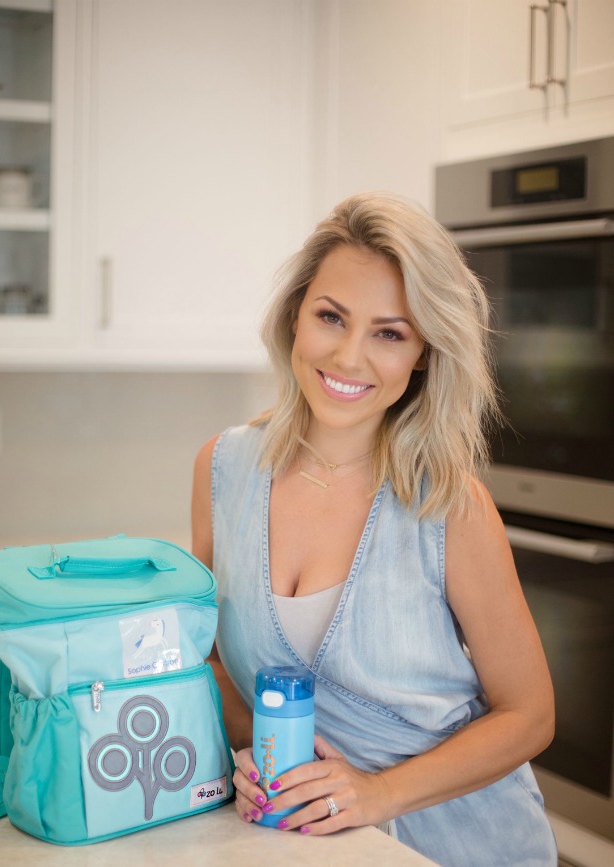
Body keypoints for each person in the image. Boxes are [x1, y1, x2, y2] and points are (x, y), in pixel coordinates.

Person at [191, 191, 558, 866]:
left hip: (460, 845)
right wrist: (256, 760)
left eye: (390, 332)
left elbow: (529, 714)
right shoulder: (224, 469)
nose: (350, 356)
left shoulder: (450, 505)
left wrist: (376, 793)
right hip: (306, 845)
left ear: (421, 352)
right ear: (296, 316)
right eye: (332, 316)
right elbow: (213, 659)